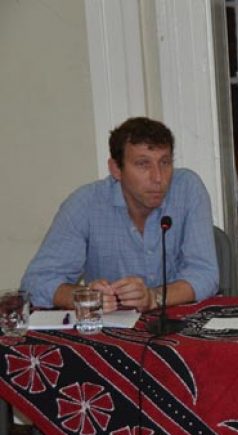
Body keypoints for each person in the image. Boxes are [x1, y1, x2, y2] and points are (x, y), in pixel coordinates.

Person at [21, 117, 219, 312]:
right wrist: (87, 297)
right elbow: (36, 283)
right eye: (143, 164)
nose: (158, 177)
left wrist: (153, 297)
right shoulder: (86, 204)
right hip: (113, 329)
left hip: (177, 322)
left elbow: (205, 274)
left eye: (165, 162)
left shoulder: (188, 189)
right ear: (116, 169)